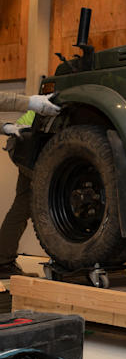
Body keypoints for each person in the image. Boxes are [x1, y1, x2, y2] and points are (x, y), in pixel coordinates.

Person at [0, 92, 60, 277]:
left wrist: (5, 127)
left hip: (26, 147)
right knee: (44, 202)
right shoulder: (59, 99)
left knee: (22, 204)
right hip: (28, 148)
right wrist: (31, 102)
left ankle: (3, 261)